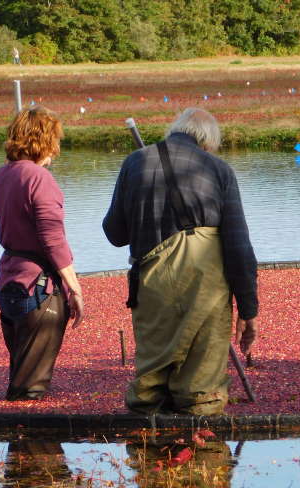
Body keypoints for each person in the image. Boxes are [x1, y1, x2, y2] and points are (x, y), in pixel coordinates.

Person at [102, 107, 258, 415]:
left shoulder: (135, 162)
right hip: (206, 288)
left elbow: (115, 233)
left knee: (151, 383)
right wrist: (248, 308)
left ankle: (149, 450)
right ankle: (204, 455)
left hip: (152, 285)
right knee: (201, 388)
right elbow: (238, 246)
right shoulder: (218, 169)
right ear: (207, 141)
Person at [0, 106, 84, 401]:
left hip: (9, 282)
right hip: (38, 288)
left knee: (22, 370)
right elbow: (52, 238)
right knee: (28, 390)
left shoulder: (3, 174)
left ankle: (21, 443)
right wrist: (73, 285)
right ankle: (29, 442)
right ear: (46, 142)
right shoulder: (38, 178)